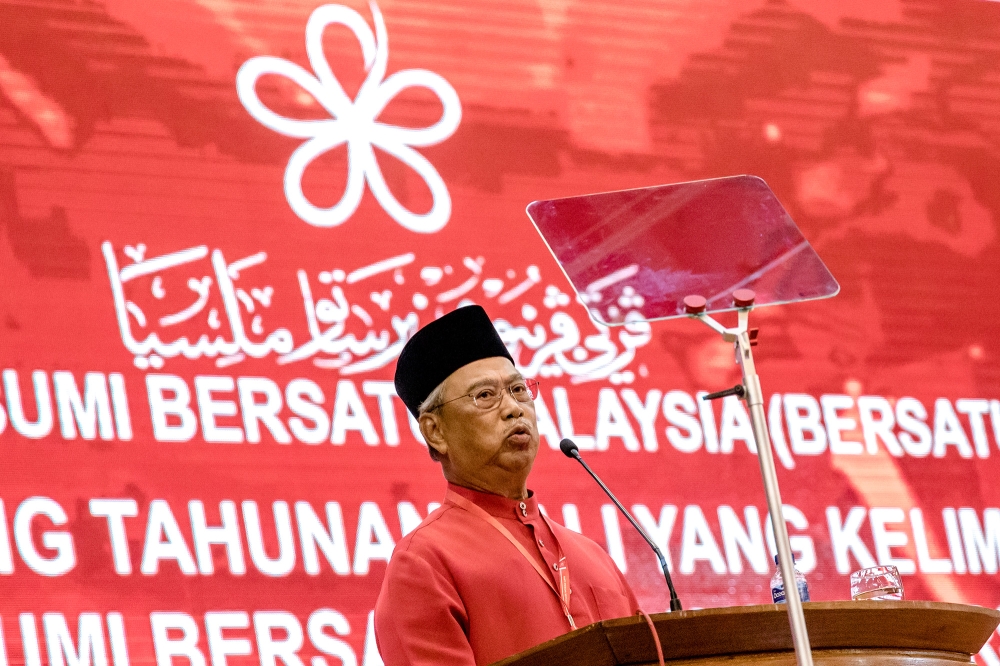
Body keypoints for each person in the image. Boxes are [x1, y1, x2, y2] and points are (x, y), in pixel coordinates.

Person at [374, 305, 640, 666]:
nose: (514, 408)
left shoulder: (593, 556)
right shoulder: (424, 562)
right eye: (485, 395)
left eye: (518, 389)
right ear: (435, 431)